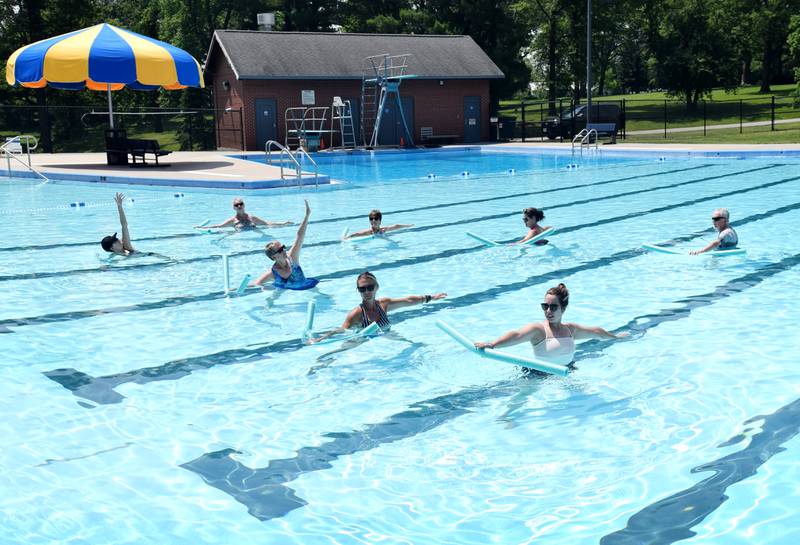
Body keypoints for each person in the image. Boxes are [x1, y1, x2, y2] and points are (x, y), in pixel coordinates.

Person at [474, 283, 627, 366]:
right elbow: (517, 335)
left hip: (567, 372)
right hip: (539, 376)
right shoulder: (538, 330)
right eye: (544, 306)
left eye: (553, 307)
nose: (548, 311)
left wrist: (616, 337)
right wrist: (492, 344)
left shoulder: (570, 330)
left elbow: (596, 331)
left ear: (563, 309)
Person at [308, 271, 446, 343]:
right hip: (363, 339)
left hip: (387, 334)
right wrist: (320, 339)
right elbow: (341, 330)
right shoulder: (356, 313)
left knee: (412, 344)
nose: (367, 291)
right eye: (362, 289)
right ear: (358, 291)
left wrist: (431, 297)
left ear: (377, 287)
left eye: (370, 287)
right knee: (338, 352)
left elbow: (408, 300)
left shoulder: (383, 304)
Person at [252, 200, 318, 290]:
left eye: (283, 248)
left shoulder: (292, 258)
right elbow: (256, 283)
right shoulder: (272, 273)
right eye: (280, 250)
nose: (284, 251)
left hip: (305, 286)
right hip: (286, 291)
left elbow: (299, 236)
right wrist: (264, 288)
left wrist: (307, 215)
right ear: (273, 257)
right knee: (275, 294)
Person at [196, 197, 294, 232]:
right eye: (236, 205)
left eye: (241, 204)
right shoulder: (233, 221)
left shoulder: (252, 218)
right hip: (240, 239)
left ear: (244, 205)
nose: (239, 206)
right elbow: (218, 226)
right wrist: (202, 228)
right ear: (234, 208)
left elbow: (267, 224)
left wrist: (284, 223)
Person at [343, 209, 414, 239]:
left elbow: (396, 226)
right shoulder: (369, 232)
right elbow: (356, 234)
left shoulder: (383, 230)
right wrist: (346, 238)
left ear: (380, 221)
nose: (373, 220)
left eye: (376, 218)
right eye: (371, 219)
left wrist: (408, 225)